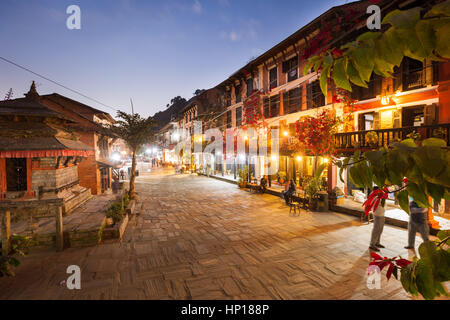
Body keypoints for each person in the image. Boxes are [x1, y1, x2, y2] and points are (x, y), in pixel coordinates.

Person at [369, 187, 386, 252]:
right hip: (377, 214)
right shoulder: (374, 196)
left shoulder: (379, 195)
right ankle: (372, 244)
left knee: (380, 229)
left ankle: (377, 242)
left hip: (381, 214)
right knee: (376, 230)